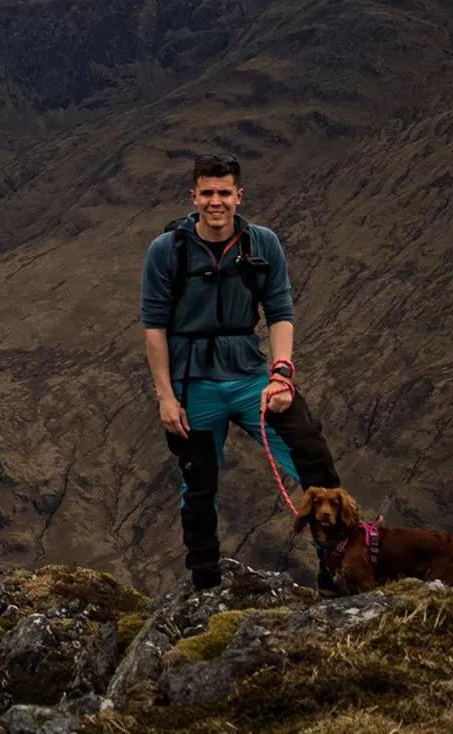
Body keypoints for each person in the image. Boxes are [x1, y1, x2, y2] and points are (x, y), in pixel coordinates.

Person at [141, 154, 341, 592]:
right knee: (199, 484)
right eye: (208, 193)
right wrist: (165, 397)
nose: (217, 202)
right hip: (193, 382)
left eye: (224, 192)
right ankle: (205, 585)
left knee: (314, 457)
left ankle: (337, 574)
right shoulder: (167, 250)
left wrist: (282, 373)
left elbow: (280, 310)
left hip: (252, 375)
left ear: (238, 195)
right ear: (194, 197)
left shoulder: (262, 244)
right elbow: (154, 327)